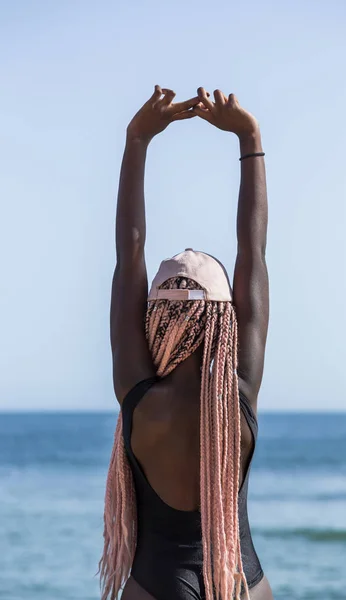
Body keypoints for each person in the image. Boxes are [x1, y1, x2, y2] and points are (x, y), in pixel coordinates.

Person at [97, 86, 272, 600]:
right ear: (228, 320)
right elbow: (253, 250)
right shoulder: (240, 390)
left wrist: (137, 141)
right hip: (243, 581)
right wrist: (249, 137)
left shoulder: (138, 392)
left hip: (154, 583)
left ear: (154, 318)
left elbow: (129, 254)